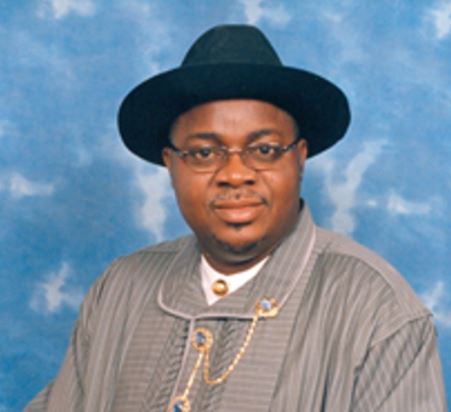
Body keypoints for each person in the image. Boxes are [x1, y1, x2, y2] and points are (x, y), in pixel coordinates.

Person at [26, 24, 447, 412]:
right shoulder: (120, 289)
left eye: (264, 150)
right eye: (204, 153)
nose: (234, 174)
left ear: (299, 159)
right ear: (171, 165)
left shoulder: (377, 310)